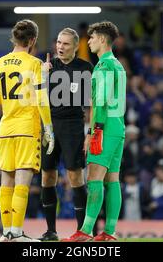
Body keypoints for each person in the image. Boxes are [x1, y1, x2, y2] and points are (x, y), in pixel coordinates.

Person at [0, 19, 54, 242]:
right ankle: (16, 232)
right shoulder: (35, 64)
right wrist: (48, 128)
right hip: (26, 127)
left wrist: (8, 98)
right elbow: (41, 98)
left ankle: (6, 233)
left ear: (14, 38)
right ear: (32, 40)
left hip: (5, 128)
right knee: (22, 182)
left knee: (6, 183)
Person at [63, 21, 126, 242]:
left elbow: (102, 99)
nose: (88, 42)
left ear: (101, 39)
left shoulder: (105, 66)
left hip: (105, 127)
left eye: (91, 38)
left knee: (94, 178)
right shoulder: (118, 65)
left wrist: (93, 130)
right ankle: (109, 232)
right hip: (118, 127)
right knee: (112, 180)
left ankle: (86, 230)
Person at [39, 28, 93, 241]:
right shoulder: (48, 67)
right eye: (59, 43)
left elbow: (91, 103)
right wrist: (42, 77)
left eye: (66, 44)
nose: (60, 47)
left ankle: (82, 231)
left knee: (75, 175)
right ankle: (51, 230)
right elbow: (37, 97)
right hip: (49, 126)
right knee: (47, 175)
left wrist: (90, 131)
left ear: (76, 46)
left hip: (72, 125)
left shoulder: (85, 68)